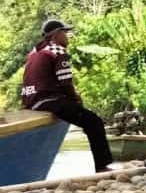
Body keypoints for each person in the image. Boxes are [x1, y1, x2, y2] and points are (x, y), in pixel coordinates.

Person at [21, 19, 113, 173]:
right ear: (57, 34)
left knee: (82, 116)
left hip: (31, 101)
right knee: (94, 122)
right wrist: (76, 100)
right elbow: (65, 84)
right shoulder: (58, 51)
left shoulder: (34, 52)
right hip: (47, 100)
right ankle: (102, 166)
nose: (67, 36)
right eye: (65, 32)